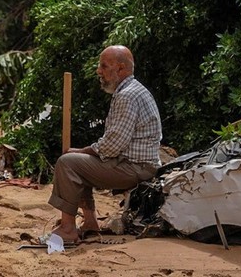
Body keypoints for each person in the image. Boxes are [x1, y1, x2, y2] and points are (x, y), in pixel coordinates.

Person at [48, 45, 162, 243]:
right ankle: (90, 222)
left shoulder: (127, 96)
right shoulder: (133, 90)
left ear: (120, 68)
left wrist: (81, 151)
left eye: (104, 66)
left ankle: (67, 229)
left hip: (135, 167)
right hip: (136, 164)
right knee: (79, 162)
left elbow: (112, 145)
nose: (99, 71)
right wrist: (85, 153)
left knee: (67, 163)